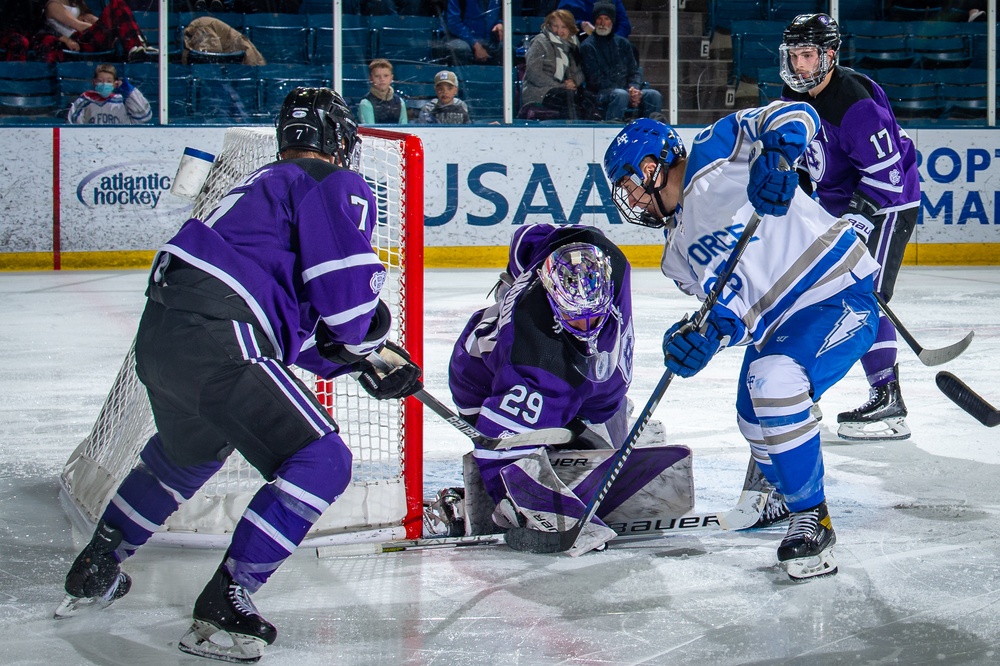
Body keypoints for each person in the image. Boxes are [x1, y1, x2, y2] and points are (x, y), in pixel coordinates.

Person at [55, 88, 423, 663]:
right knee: (323, 460)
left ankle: (99, 561)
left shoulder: (256, 188)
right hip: (220, 334)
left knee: (186, 454)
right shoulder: (329, 182)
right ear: (341, 141)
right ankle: (228, 600)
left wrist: (355, 362)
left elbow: (290, 329)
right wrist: (371, 345)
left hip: (165, 339)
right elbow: (350, 314)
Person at [602, 107, 882, 580]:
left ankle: (814, 520)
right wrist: (705, 335)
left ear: (651, 167)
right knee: (751, 416)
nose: (631, 201)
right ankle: (783, 495)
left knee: (772, 380)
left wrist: (775, 156)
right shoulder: (676, 257)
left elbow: (797, 113)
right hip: (777, 326)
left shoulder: (716, 150)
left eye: (629, 186)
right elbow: (735, 315)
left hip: (835, 293)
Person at [447, 223, 636, 554]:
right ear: (551, 298)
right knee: (526, 436)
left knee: (598, 393)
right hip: (478, 378)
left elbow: (532, 238)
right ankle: (503, 496)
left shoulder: (612, 264)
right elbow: (500, 445)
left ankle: (569, 424)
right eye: (575, 317)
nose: (587, 327)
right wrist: (511, 497)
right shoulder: (532, 351)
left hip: (552, 366)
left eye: (594, 317)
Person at [779, 14, 920, 441]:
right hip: (838, 206)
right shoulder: (793, 96)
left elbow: (888, 176)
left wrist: (857, 218)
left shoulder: (853, 102)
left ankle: (889, 399)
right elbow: (805, 164)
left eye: (808, 55)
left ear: (829, 55)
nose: (800, 65)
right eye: (794, 55)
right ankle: (800, 390)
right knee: (811, 290)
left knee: (863, 293)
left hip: (887, 205)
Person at [579, 1, 661, 122]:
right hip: (600, 93)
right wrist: (628, 92)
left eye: (606, 19)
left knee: (654, 95)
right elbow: (594, 79)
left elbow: (634, 72)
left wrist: (634, 89)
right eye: (599, 19)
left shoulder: (624, 44)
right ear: (594, 21)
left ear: (612, 21)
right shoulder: (587, 46)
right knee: (620, 95)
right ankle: (612, 131)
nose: (602, 23)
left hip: (625, 91)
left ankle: (652, 131)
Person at [518, 9, 596, 121]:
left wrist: (574, 82)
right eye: (555, 26)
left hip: (565, 90)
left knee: (589, 98)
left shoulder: (573, 43)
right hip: (540, 91)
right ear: (549, 26)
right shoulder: (540, 41)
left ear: (570, 28)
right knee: (569, 99)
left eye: (564, 27)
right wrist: (562, 86)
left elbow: (578, 71)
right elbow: (534, 73)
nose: (559, 31)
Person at [37, 0, 157, 63]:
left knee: (118, 8)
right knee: (116, 3)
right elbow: (78, 26)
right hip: (80, 41)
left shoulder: (77, 3)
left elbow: (97, 21)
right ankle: (136, 45)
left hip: (89, 37)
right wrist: (107, 27)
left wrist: (107, 25)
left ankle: (137, 46)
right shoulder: (53, 5)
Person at [67, 63, 151, 125]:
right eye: (100, 81)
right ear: (94, 82)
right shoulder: (85, 100)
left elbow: (144, 116)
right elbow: (72, 124)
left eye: (109, 81)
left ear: (115, 84)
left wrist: (128, 90)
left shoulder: (122, 101)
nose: (104, 84)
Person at [444, 0, 503, 65]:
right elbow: (453, 23)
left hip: (487, 39)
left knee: (506, 49)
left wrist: (499, 23)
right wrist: (475, 44)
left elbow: (499, 14)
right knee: (461, 49)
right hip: (460, 38)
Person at [357, 58, 408, 125]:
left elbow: (404, 127)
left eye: (386, 76)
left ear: (391, 78)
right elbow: (370, 131)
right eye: (377, 76)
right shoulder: (366, 103)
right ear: (371, 78)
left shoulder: (400, 102)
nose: (382, 79)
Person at [557, 0, 630, 38]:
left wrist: (616, 41)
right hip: (583, 41)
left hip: (611, 42)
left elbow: (624, 23)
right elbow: (560, 19)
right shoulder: (569, 1)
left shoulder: (614, 1)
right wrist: (580, 24)